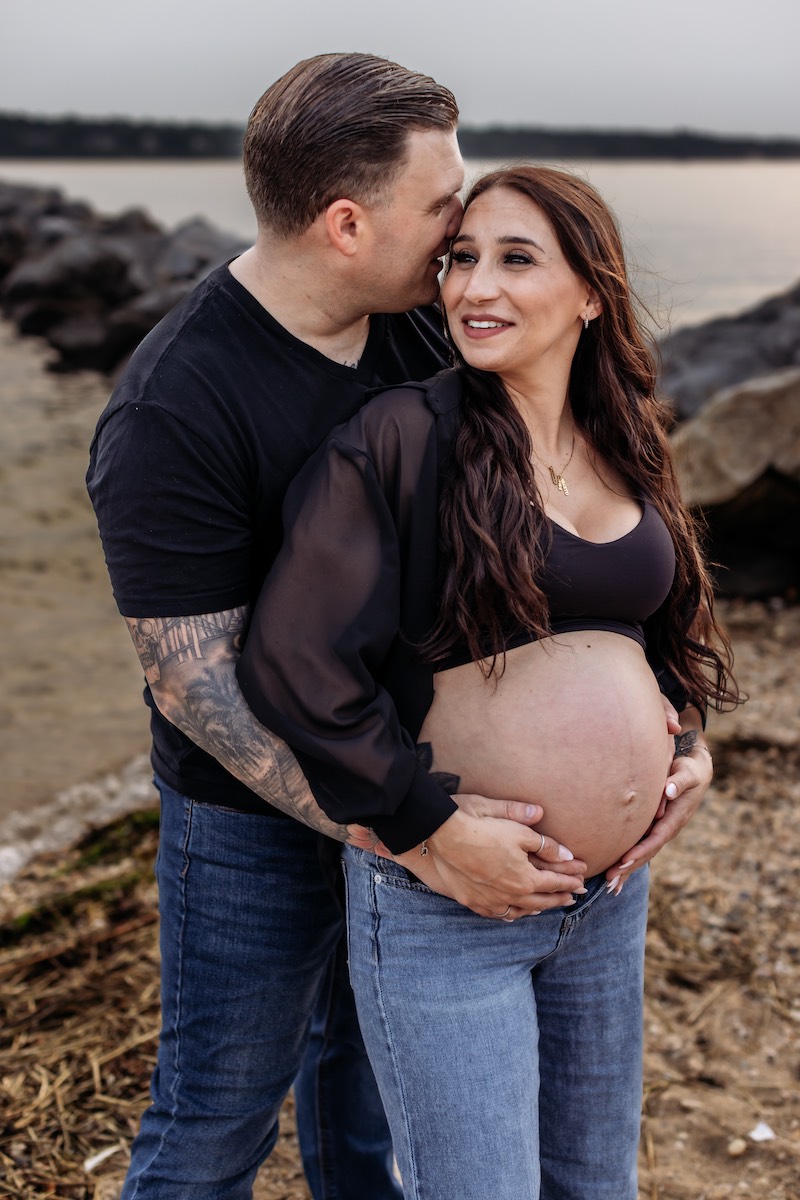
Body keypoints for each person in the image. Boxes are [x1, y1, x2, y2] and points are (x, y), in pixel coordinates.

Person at [87, 54, 586, 1200]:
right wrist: (402, 829)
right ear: (348, 222)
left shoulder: (422, 327)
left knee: (360, 1082)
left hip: (411, 775)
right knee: (216, 1113)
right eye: (441, 207)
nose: (462, 231)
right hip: (250, 821)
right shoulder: (175, 406)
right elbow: (190, 682)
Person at [236, 165, 739, 1199]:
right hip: (447, 904)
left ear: (590, 291)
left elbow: (662, 627)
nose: (473, 287)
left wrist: (685, 750)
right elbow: (292, 657)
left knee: (593, 1185)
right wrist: (425, 825)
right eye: (461, 259)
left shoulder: (624, 439)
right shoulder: (403, 438)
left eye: (515, 259)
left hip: (605, 900)